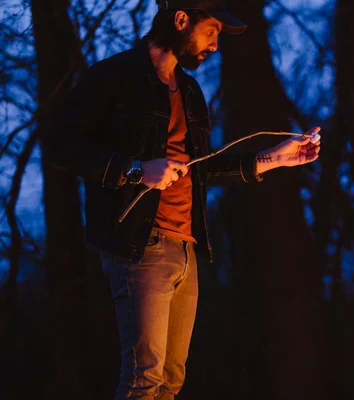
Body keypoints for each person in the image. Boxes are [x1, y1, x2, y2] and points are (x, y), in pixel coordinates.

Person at [48, 0, 321, 399]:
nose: (214, 44)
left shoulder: (190, 92)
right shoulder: (113, 77)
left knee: (171, 381)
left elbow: (201, 168)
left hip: (186, 247)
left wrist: (271, 160)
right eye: (210, 31)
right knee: (145, 378)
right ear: (180, 20)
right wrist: (137, 169)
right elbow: (61, 147)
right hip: (140, 244)